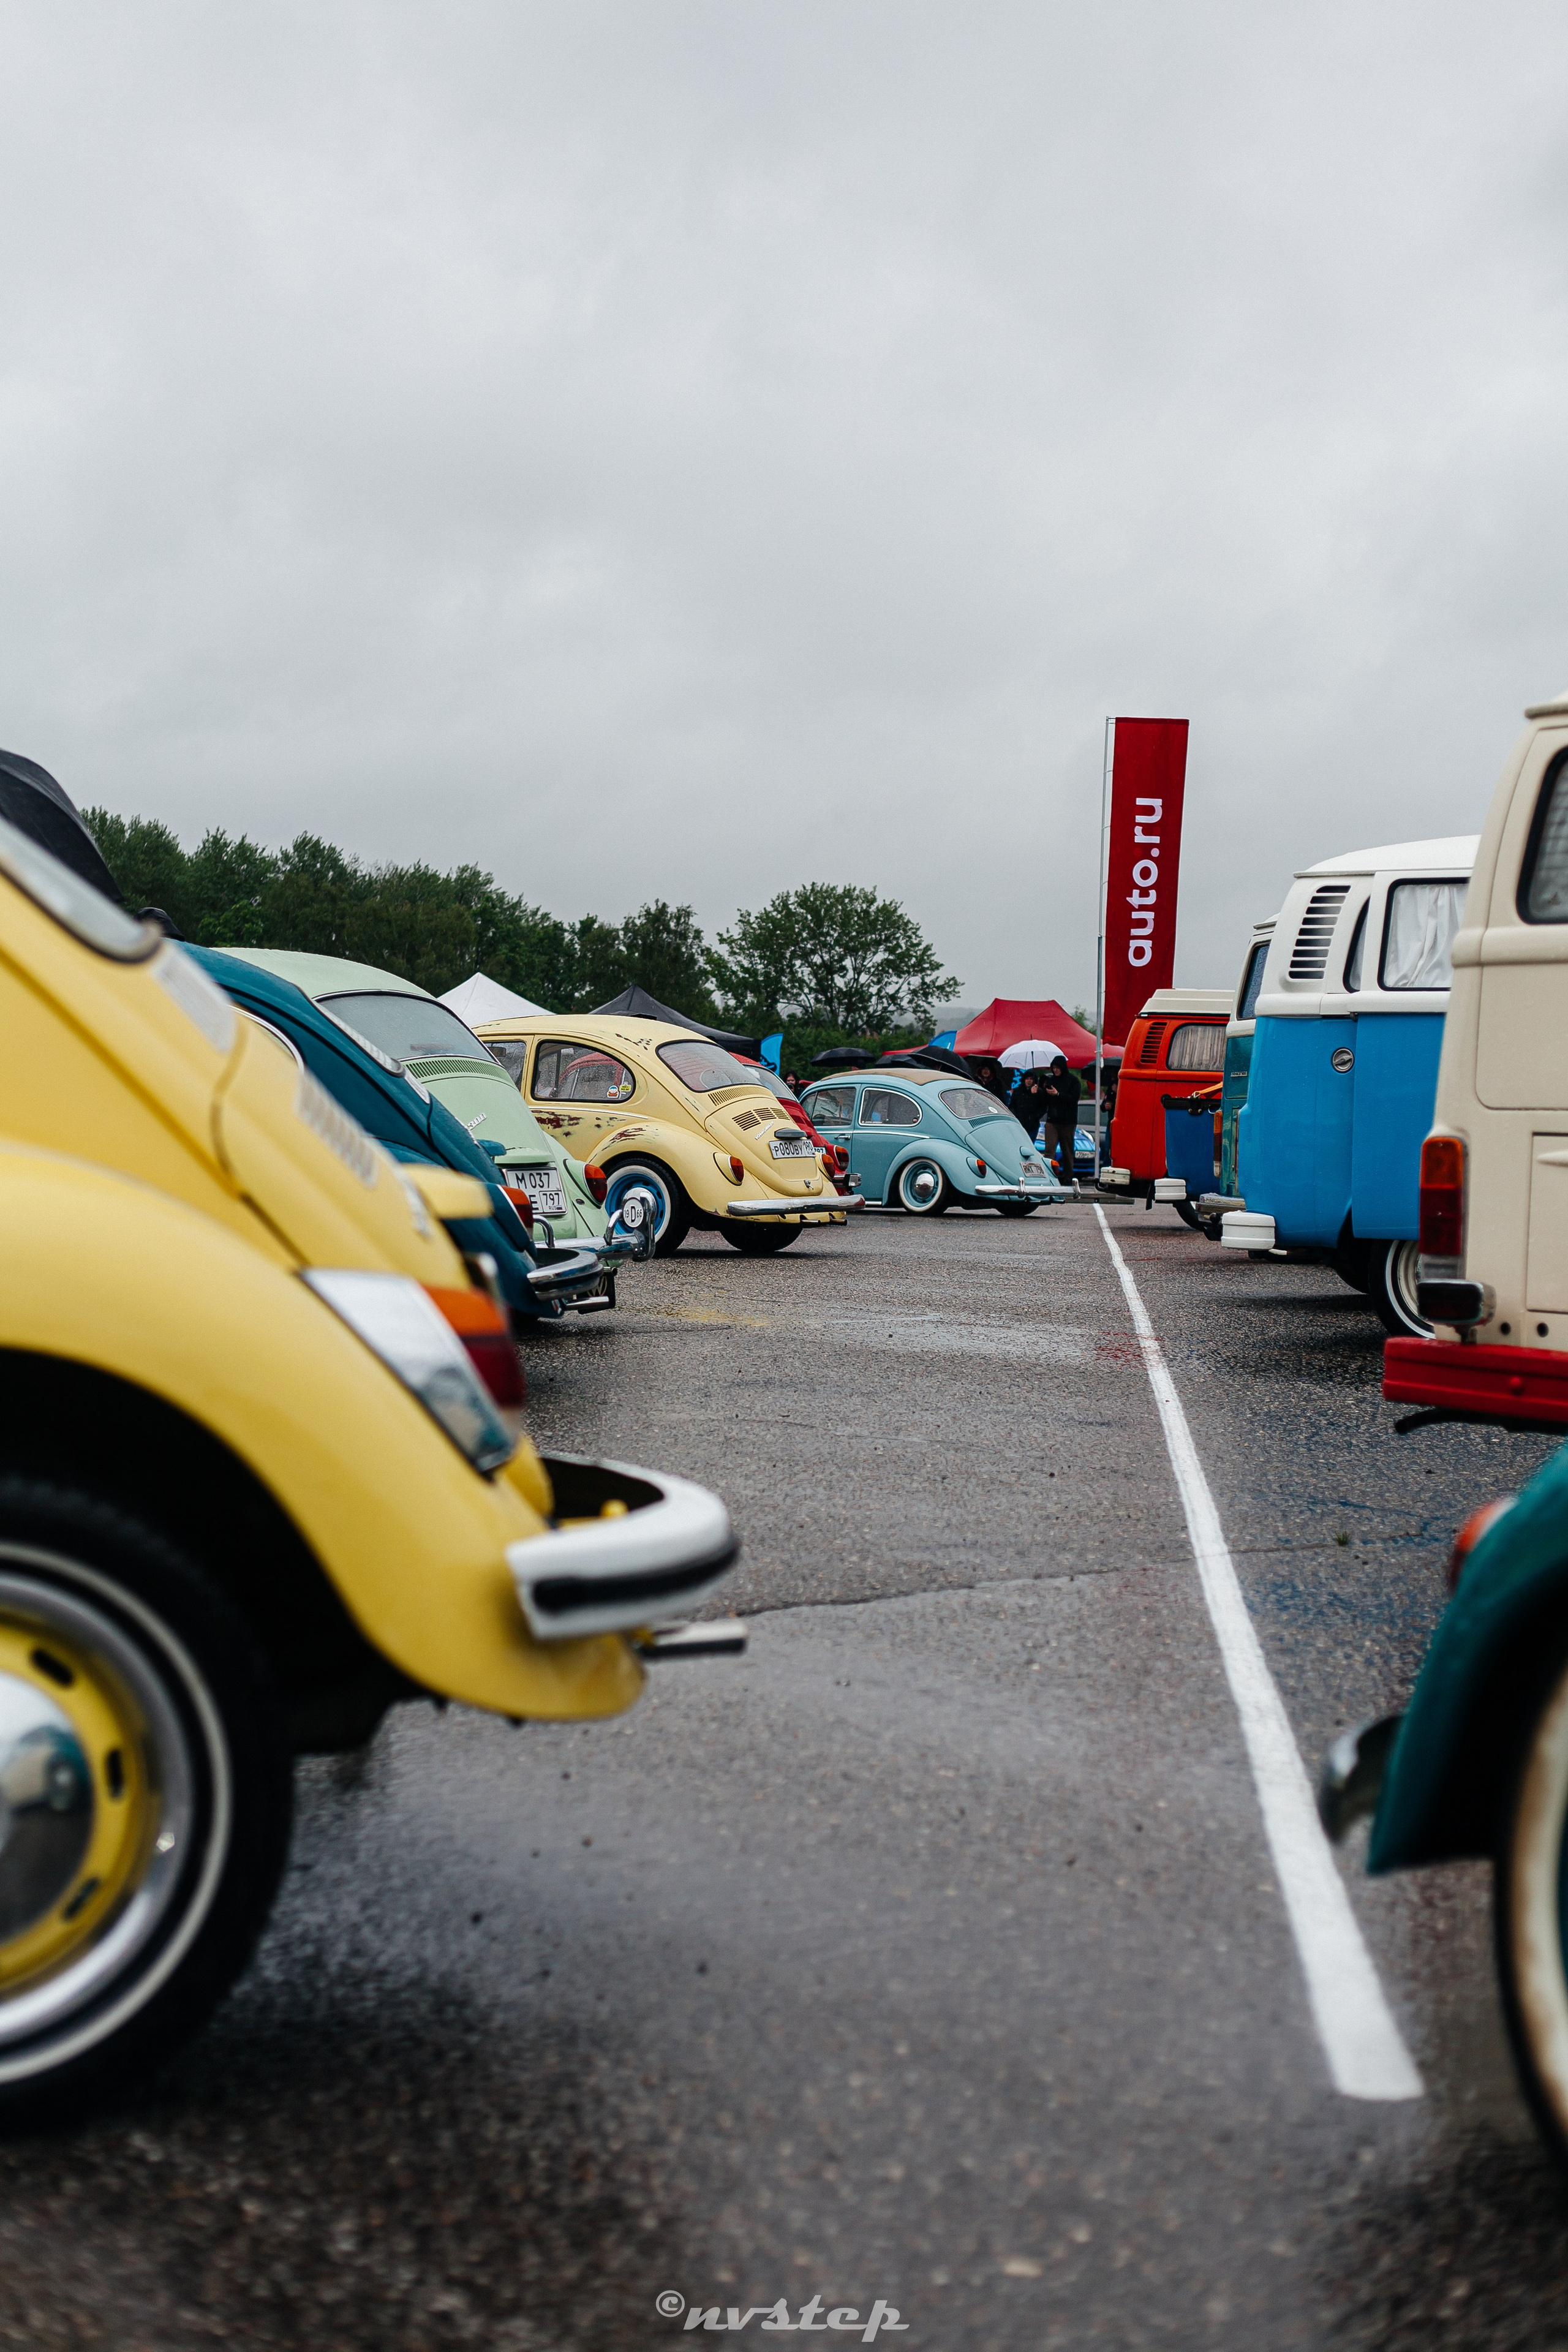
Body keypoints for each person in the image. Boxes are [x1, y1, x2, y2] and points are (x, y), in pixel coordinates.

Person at [1042, 1054, 1081, 1188]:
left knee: (1067, 1150)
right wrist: (1041, 1092)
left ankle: (1068, 1176)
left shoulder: (1073, 1081)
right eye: (1053, 1068)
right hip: (1052, 1120)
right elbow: (1046, 1100)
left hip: (1068, 1121)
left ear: (1063, 1067)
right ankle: (1048, 1175)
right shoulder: (1051, 1081)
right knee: (1049, 1150)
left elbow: (1074, 1098)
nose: (1055, 1070)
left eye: (1058, 1068)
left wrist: (1058, 1094)